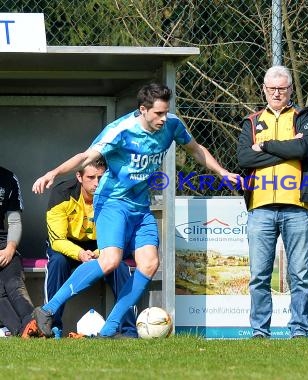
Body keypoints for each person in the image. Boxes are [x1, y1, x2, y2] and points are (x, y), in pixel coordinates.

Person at [25, 83, 241, 338]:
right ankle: (48, 310)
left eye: (166, 112)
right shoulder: (120, 130)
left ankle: (110, 328)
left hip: (141, 207)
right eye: (158, 113)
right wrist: (53, 172)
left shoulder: (172, 125)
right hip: (113, 203)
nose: (164, 118)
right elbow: (84, 158)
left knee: (149, 264)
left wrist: (222, 172)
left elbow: (195, 149)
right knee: (111, 260)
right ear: (143, 110)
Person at [237, 65, 308, 338]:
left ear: (290, 90)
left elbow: (305, 147)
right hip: (260, 207)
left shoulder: (303, 117)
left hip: (297, 206)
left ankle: (299, 330)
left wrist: (267, 145)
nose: (276, 93)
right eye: (271, 88)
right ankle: (260, 331)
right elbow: (245, 159)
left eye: (281, 88)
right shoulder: (251, 121)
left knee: (300, 275)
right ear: (263, 89)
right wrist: (287, 148)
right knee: (259, 276)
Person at [45, 158, 137, 337]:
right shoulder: (61, 194)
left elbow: (120, 235)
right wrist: (79, 253)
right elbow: (57, 240)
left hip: (102, 244)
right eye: (91, 177)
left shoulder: (114, 195)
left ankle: (128, 330)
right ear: (79, 176)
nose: (97, 183)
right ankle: (51, 326)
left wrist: (97, 253)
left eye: (101, 177)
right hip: (68, 245)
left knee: (119, 266)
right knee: (57, 262)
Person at [0, 166, 35, 337]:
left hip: (3, 244)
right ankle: (24, 330)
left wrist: (10, 248)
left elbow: (14, 222)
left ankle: (33, 323)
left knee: (13, 282)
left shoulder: (8, 178)